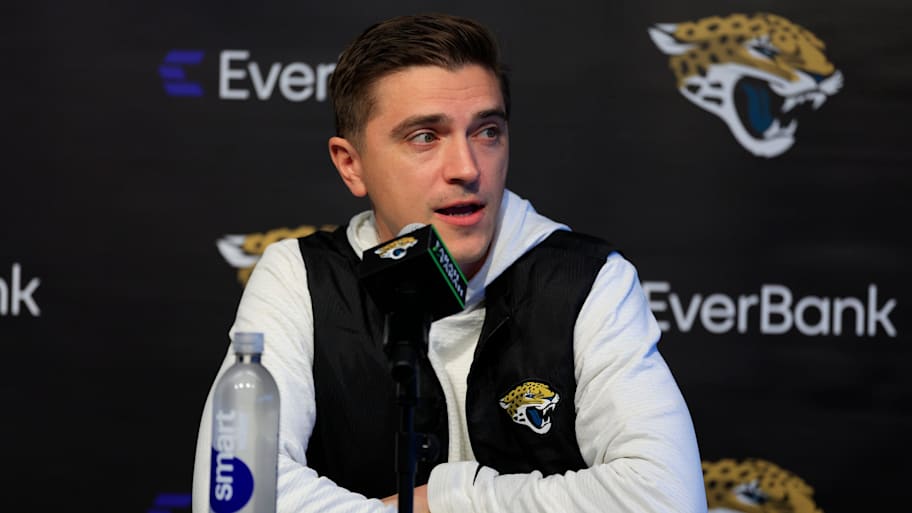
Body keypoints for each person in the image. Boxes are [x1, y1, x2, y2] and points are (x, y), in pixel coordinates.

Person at [193, 13, 707, 513]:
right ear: (352, 165)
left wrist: (447, 500)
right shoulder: (300, 277)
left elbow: (667, 498)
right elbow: (233, 497)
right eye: (425, 136)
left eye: (487, 131)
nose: (466, 168)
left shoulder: (587, 280)